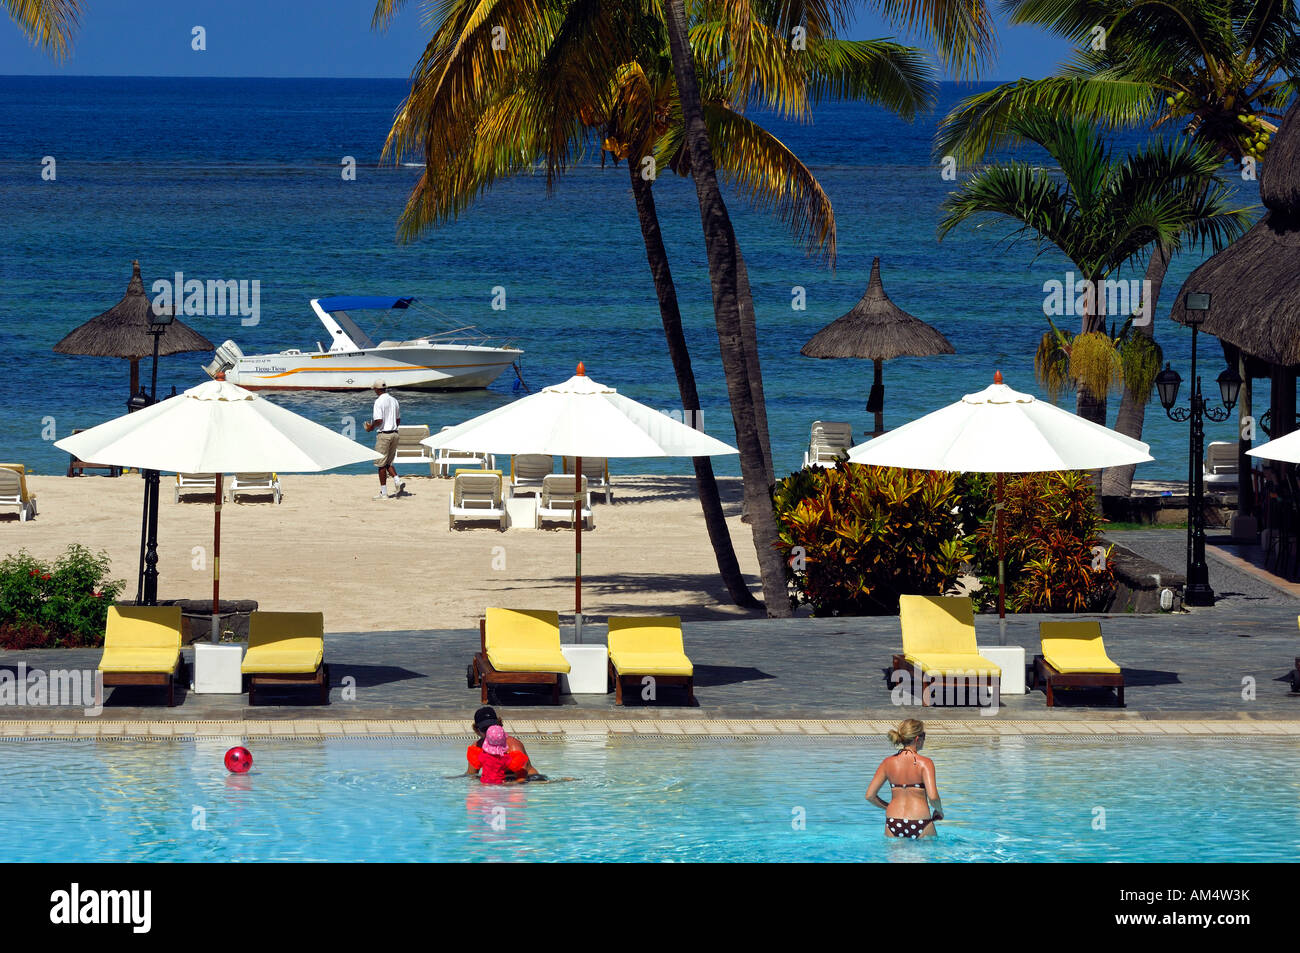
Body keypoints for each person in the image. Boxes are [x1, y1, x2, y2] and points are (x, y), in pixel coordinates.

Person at [864, 719, 944, 839]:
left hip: (893, 821)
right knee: (931, 856)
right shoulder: (925, 763)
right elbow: (933, 797)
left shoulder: (887, 762)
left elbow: (870, 796)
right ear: (918, 739)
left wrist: (888, 806)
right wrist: (939, 810)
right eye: (924, 736)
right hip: (920, 821)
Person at [465, 706, 544, 782]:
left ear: (499, 724)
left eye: (493, 726)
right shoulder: (477, 748)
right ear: (477, 730)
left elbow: (522, 778)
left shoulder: (513, 747)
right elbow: (471, 775)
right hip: (503, 782)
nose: (490, 731)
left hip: (530, 779)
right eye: (485, 729)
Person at [363, 379, 405, 500]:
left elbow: (379, 420)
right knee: (388, 463)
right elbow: (398, 420)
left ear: (376, 389)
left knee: (380, 464)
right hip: (395, 434)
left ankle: (384, 493)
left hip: (384, 435)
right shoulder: (394, 400)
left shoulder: (378, 402)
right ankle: (397, 480)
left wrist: (370, 427)